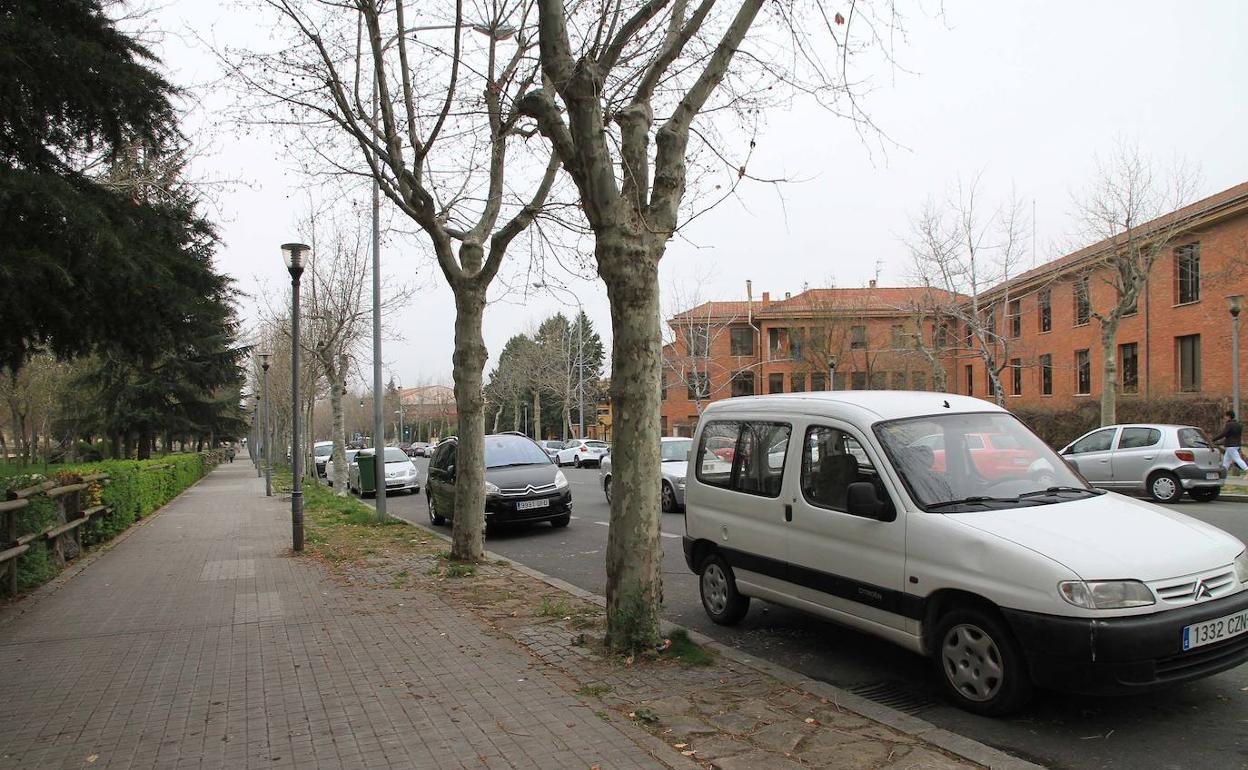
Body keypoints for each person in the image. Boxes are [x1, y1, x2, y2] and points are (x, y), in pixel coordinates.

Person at [1212, 410, 1247, 474]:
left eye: (1225, 416)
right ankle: (1223, 473)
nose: (1224, 418)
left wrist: (1213, 439)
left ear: (1229, 416)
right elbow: (1238, 435)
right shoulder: (1238, 424)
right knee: (1226, 460)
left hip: (1231, 445)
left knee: (1237, 459)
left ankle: (1246, 469)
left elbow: (1223, 434)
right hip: (1236, 444)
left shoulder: (1229, 424)